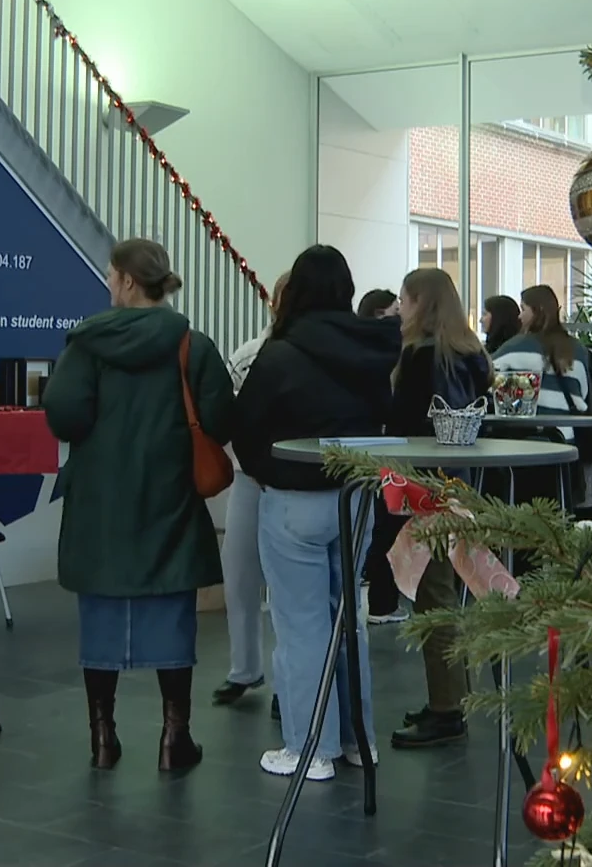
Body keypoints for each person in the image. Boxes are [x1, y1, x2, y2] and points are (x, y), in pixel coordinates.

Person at [46, 238, 232, 772]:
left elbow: (64, 416)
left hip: (99, 507)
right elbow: (221, 419)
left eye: (111, 275)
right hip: (168, 501)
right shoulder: (192, 346)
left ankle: (102, 738)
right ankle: (175, 739)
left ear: (128, 281)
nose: (108, 284)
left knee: (100, 619)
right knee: (172, 616)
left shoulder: (86, 345)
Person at [235, 245, 400, 780]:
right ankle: (359, 742)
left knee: (302, 626)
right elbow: (386, 420)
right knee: (348, 620)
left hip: (292, 504)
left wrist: (267, 471)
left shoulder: (280, 353)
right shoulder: (374, 349)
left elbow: (245, 426)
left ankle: (312, 749)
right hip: (356, 501)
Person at [387, 268, 491, 750]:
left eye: (404, 299)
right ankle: (451, 699)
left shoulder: (419, 358)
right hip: (462, 484)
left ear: (421, 304)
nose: (398, 308)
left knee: (435, 599)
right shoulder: (470, 356)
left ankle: (448, 708)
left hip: (425, 487)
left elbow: (405, 424)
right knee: (444, 590)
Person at [214, 270, 290, 711]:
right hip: (248, 479)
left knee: (288, 587)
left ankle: (286, 683)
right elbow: (230, 416)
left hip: (290, 483)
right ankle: (244, 668)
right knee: (239, 575)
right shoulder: (249, 355)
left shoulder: (307, 354)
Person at [491, 285, 591, 510]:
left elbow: (488, 382)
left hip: (524, 447)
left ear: (536, 311)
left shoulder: (515, 347)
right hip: (565, 444)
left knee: (522, 514)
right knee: (559, 513)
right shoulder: (578, 350)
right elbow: (582, 397)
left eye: (523, 308)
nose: (519, 315)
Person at [356, 286, 406, 624]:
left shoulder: (351, 348)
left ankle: (378, 595)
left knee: (377, 520)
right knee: (387, 521)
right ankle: (382, 601)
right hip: (386, 444)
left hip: (364, 445)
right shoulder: (390, 350)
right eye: (395, 310)